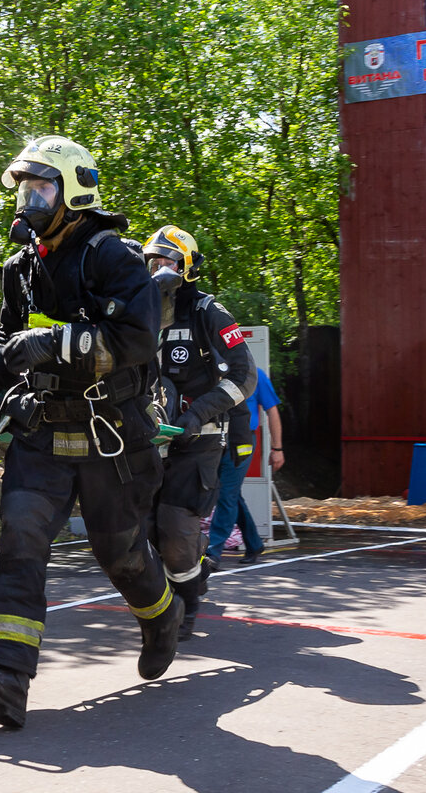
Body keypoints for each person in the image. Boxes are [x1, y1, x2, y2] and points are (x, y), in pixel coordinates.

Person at [0, 136, 183, 729]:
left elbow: (135, 340)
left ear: (75, 190)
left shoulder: (113, 257)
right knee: (21, 537)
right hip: (43, 434)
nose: (29, 200)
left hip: (113, 439)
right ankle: (5, 678)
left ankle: (163, 618)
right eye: (25, 188)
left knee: (121, 555)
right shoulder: (21, 266)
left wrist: (51, 344)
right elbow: (7, 340)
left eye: (42, 187)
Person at [145, 226, 256, 640]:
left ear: (188, 268)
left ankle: (188, 603)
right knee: (142, 528)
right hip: (152, 439)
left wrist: (199, 414)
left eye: (169, 261)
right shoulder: (142, 314)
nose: (160, 269)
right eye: (154, 261)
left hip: (201, 437)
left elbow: (245, 376)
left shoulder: (211, 312)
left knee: (175, 524)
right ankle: (189, 577)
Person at [206, 366, 282, 568]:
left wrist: (277, 448)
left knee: (226, 494)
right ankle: (254, 543)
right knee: (230, 494)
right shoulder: (212, 373)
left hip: (242, 440)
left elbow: (272, 410)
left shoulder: (254, 374)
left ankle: (212, 551)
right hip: (216, 439)